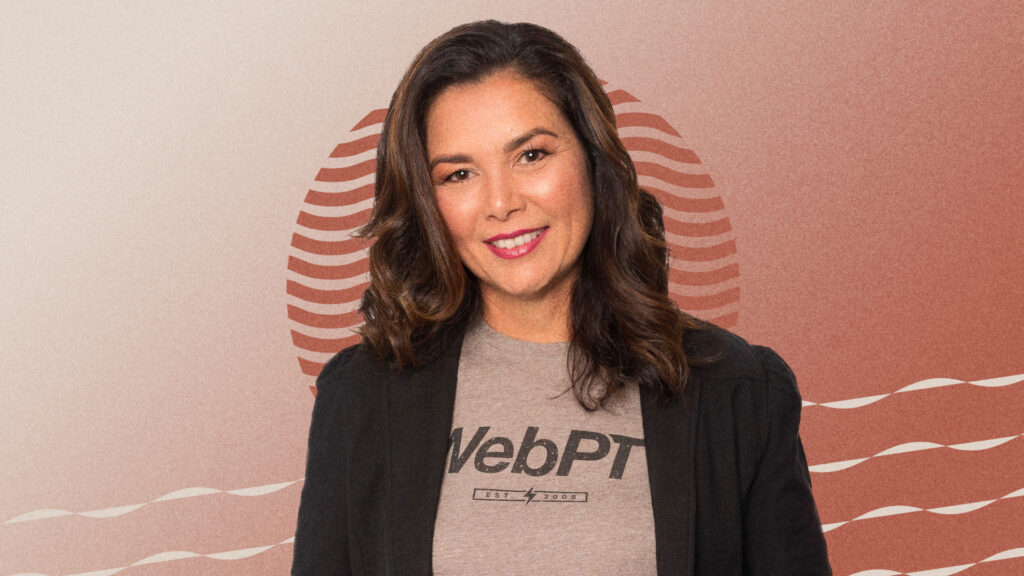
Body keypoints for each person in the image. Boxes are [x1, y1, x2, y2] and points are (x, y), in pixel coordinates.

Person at [292, 20, 831, 576]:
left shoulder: (737, 391)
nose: (500, 203)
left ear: (593, 161)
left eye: (530, 156)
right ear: (429, 203)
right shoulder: (359, 398)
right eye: (459, 174)